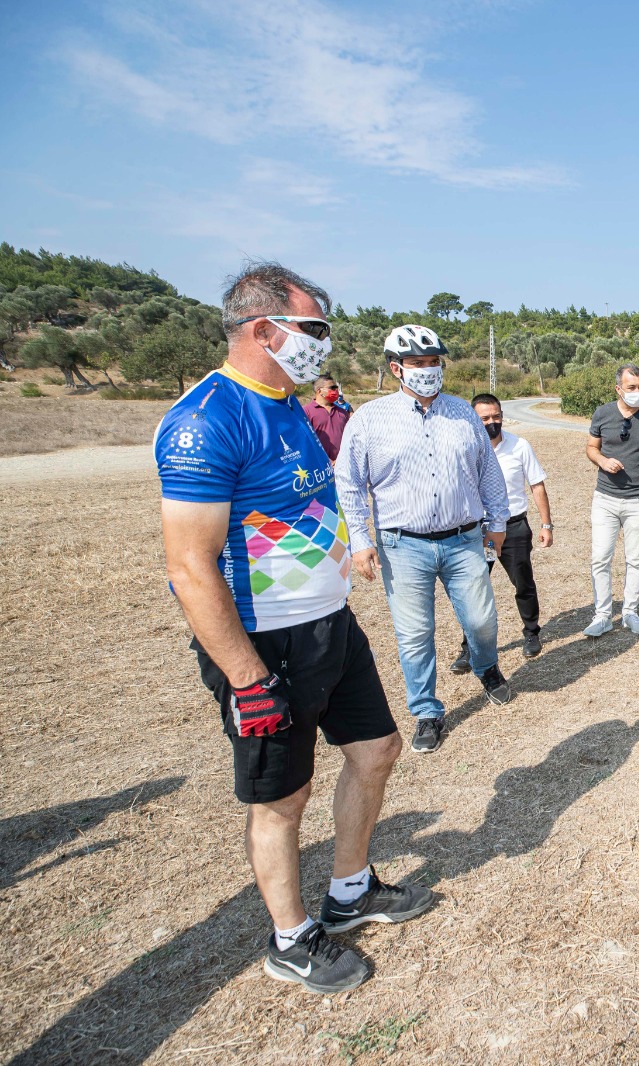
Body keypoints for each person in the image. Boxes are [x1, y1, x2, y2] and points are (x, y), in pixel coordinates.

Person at [156, 262, 431, 995]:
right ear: (262, 329)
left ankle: (350, 894)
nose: (322, 343)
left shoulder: (285, 401)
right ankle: (290, 937)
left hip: (329, 626)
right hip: (265, 644)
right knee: (283, 798)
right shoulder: (204, 419)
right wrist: (247, 678)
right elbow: (190, 566)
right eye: (312, 328)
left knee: (376, 750)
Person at [335, 325, 513, 756]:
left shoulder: (463, 413)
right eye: (418, 363)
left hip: (463, 539)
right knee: (415, 634)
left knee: (481, 620)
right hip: (403, 545)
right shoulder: (369, 419)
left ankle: (486, 667)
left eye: (433, 361)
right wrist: (359, 539)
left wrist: (499, 520)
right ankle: (427, 711)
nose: (428, 369)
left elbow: (487, 468)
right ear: (396, 368)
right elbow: (350, 483)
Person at [447, 393, 554, 668]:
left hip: (513, 528)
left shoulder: (519, 446)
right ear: (472, 418)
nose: (492, 422)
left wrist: (546, 525)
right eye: (484, 418)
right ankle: (469, 648)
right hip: (476, 532)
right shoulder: (461, 448)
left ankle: (531, 633)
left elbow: (537, 485)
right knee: (472, 591)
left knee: (523, 583)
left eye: (496, 416)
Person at [585, 363, 639, 636]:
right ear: (618, 388)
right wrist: (602, 460)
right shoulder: (602, 414)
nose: (637, 392)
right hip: (605, 498)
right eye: (632, 387)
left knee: (635, 559)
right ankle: (603, 616)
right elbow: (591, 447)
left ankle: (630, 612)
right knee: (600, 558)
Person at [302, 375, 350, 460]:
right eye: (332, 388)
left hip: (342, 464)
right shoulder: (305, 412)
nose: (336, 391)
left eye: (336, 388)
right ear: (319, 390)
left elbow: (349, 439)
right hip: (319, 465)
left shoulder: (343, 412)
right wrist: (327, 461)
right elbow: (305, 441)